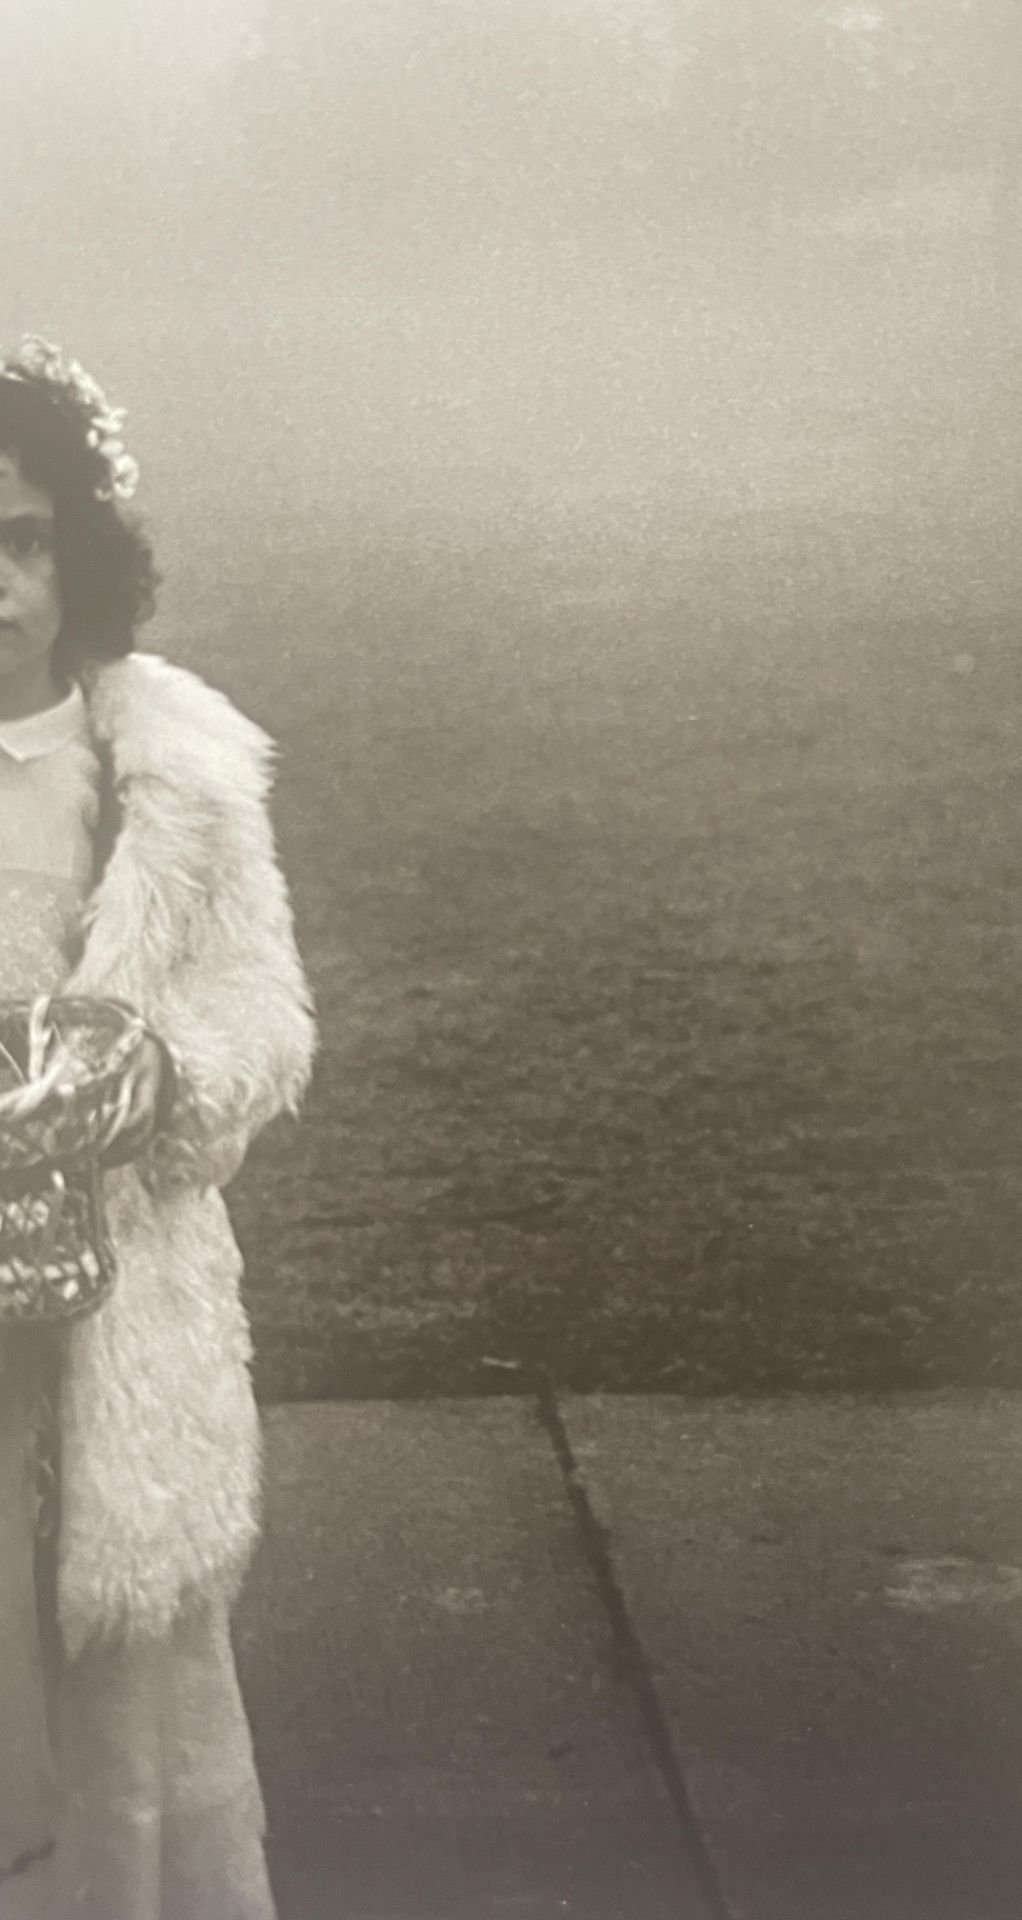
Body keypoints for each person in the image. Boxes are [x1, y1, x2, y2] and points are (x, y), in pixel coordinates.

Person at [0, 337, 315, 1918]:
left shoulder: (169, 776)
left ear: (82, 556)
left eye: (22, 541)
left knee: (121, 1688)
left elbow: (264, 1018)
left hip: (120, 1316)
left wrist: (152, 1080)